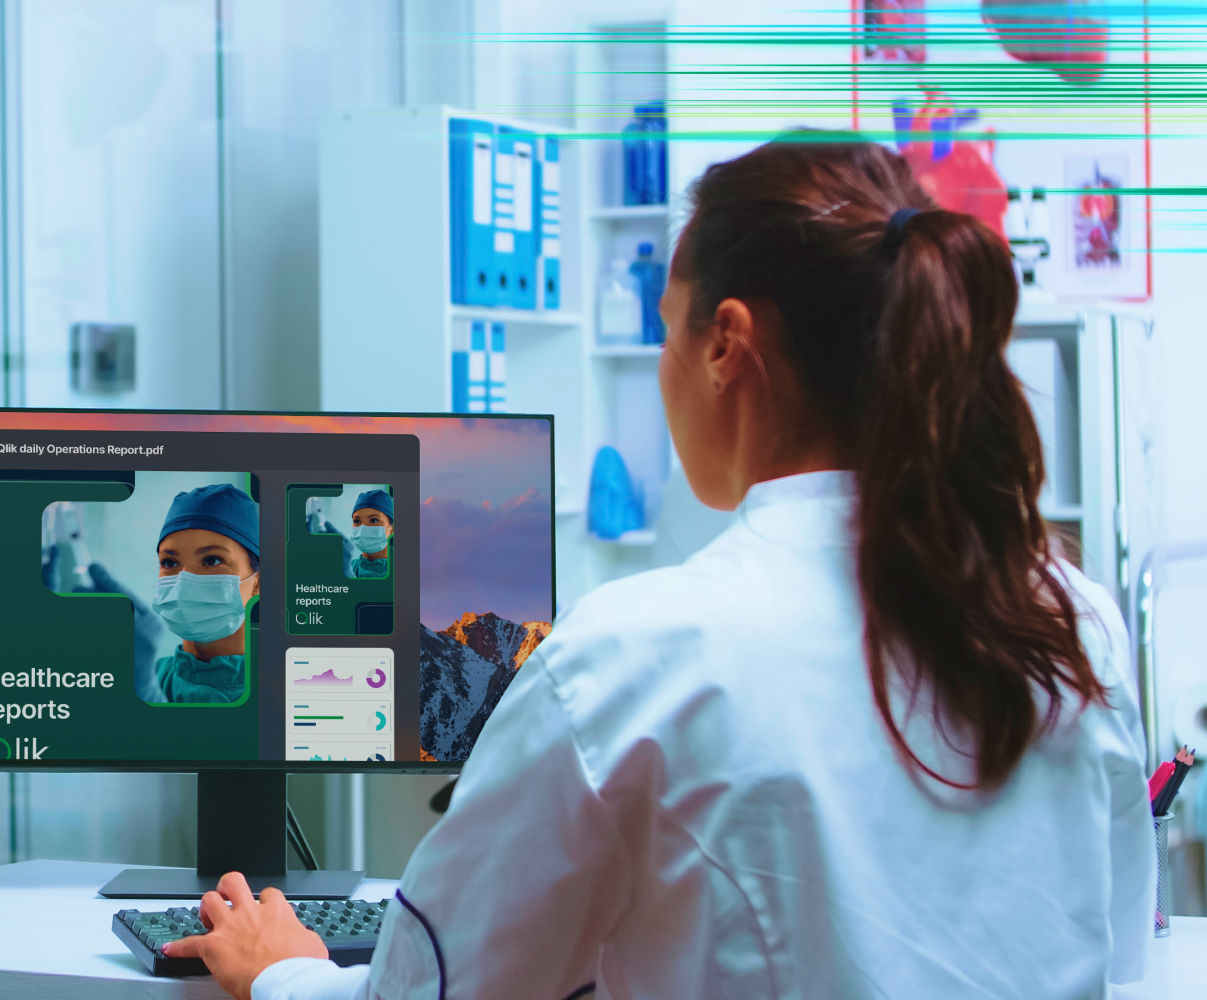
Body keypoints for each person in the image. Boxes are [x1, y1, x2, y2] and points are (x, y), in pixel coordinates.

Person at [166, 135, 1154, 998]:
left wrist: (283, 967)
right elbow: (1105, 951)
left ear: (724, 341)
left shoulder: (642, 654)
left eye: (662, 330)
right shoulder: (1066, 620)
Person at [152, 484, 260, 703]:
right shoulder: (145, 677)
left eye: (211, 560)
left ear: (258, 582)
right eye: (170, 562)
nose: (183, 582)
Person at [346, 489, 392, 579]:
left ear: (392, 529)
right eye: (357, 521)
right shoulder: (347, 568)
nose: (363, 528)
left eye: (373, 520)